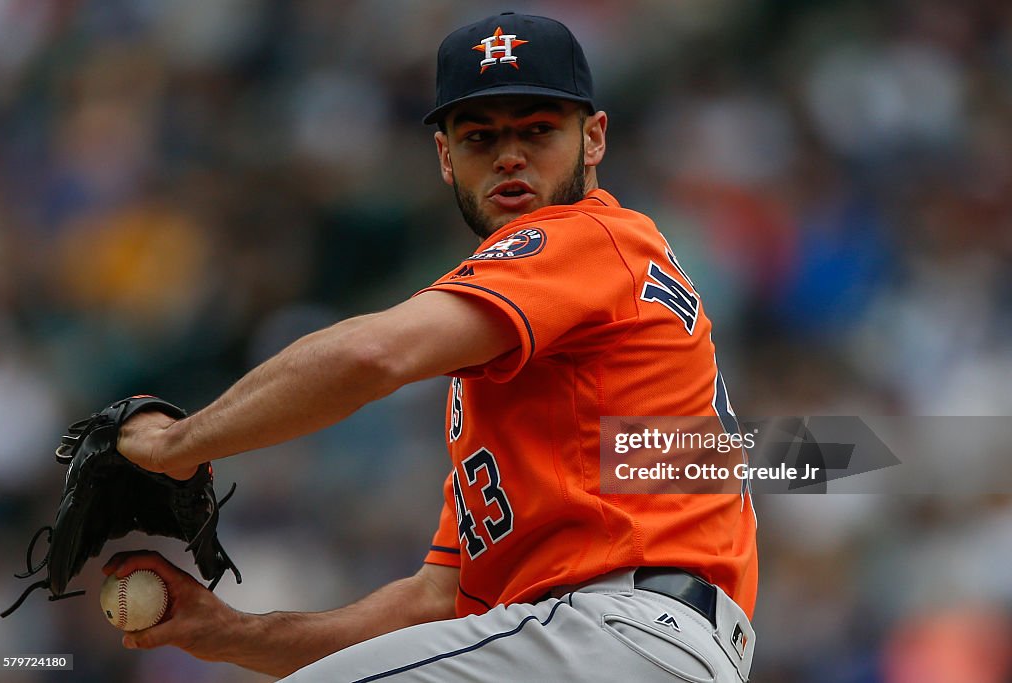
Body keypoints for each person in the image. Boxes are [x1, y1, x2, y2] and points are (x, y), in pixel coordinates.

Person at [106, 12, 757, 682]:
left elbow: (371, 356)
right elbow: (433, 605)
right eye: (480, 137)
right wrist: (232, 634)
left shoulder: (585, 238)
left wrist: (179, 444)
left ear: (593, 139)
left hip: (612, 634)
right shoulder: (524, 382)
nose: (510, 155)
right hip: (620, 644)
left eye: (538, 129)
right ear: (446, 157)